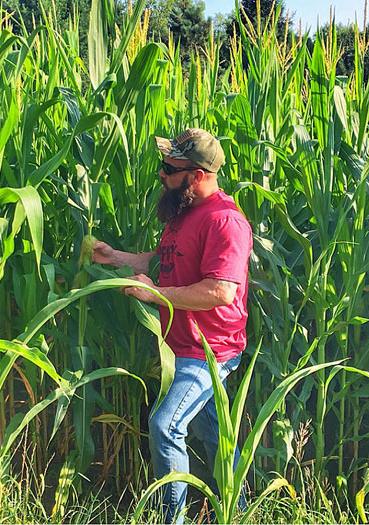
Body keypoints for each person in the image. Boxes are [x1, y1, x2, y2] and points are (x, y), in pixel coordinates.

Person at [93, 128, 252, 523]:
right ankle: (243, 511)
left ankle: (172, 519)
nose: (162, 175)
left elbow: (220, 292)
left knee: (165, 426)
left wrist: (156, 296)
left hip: (208, 348)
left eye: (170, 168)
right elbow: (164, 258)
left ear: (197, 175)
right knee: (216, 434)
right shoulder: (185, 209)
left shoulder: (225, 221)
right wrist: (117, 258)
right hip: (181, 344)